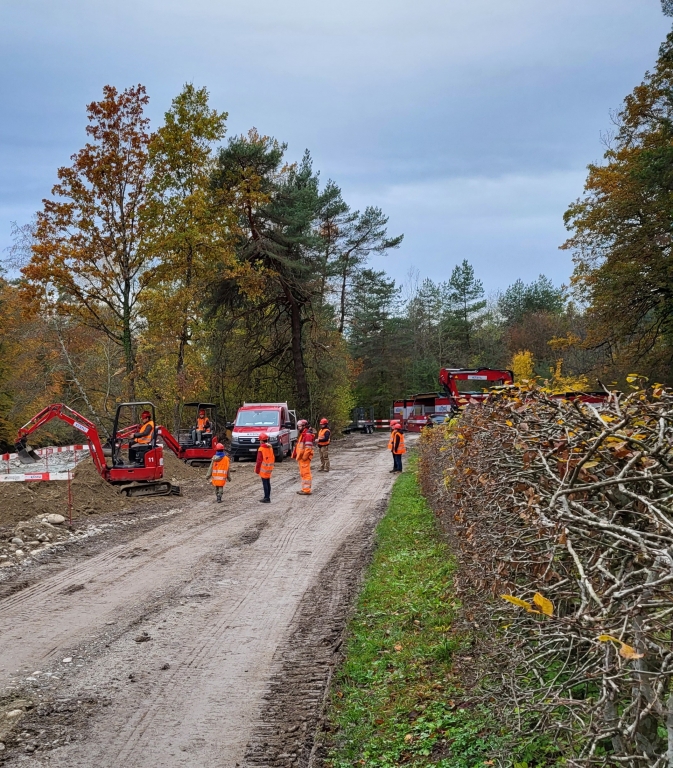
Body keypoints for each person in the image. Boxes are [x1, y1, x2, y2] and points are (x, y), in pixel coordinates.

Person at [292, 419, 315, 495]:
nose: (298, 427)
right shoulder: (304, 434)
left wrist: (304, 457)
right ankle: (304, 489)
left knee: (306, 473)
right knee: (303, 473)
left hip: (304, 458)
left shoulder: (307, 435)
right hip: (302, 458)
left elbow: (308, 448)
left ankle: (306, 490)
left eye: (299, 426)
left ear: (304, 426)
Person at [255, 432, 275, 503]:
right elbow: (272, 457)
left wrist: (257, 470)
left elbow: (259, 460)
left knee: (265, 483)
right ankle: (268, 496)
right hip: (269, 468)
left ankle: (266, 498)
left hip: (263, 469)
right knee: (268, 482)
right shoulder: (270, 447)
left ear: (261, 440)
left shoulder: (261, 449)